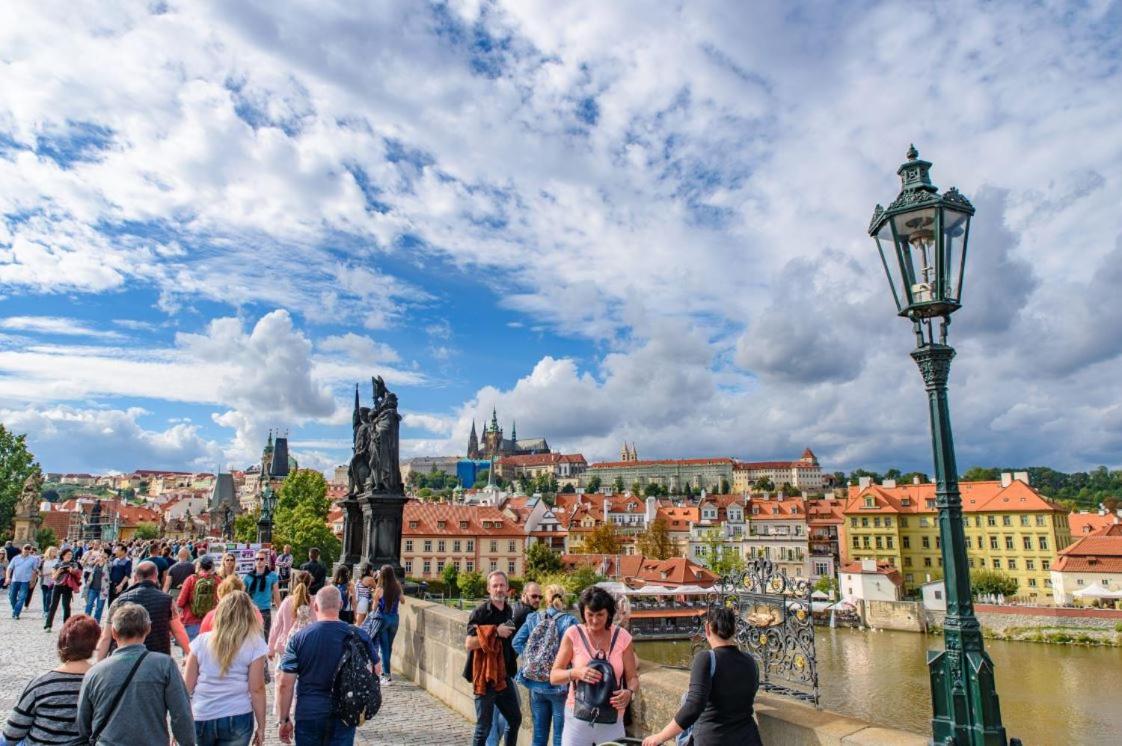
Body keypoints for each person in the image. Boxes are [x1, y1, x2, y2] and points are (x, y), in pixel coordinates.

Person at [76, 603, 196, 746]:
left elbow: (83, 723)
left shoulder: (94, 673)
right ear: (148, 629)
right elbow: (181, 713)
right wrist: (186, 741)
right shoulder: (164, 665)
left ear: (114, 632)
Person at [641, 606, 762, 746]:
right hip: (748, 739)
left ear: (707, 629)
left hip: (714, 739)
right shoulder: (750, 661)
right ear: (734, 630)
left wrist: (661, 736)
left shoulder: (706, 659)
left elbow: (694, 706)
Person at [276, 586, 380, 745]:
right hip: (345, 712)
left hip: (309, 713)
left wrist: (284, 719)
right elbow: (376, 669)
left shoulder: (298, 639)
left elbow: (285, 684)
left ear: (315, 606)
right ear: (340, 604)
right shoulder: (358, 634)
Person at [548, 585, 639, 746]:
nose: (595, 620)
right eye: (590, 614)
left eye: (600, 615)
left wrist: (629, 692)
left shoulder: (622, 637)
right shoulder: (573, 634)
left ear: (609, 613)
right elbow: (554, 676)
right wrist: (576, 673)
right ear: (583, 612)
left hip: (612, 718)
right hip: (577, 719)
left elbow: (632, 678)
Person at [185, 591, 268, 746]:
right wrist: (261, 726)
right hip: (237, 713)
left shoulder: (201, 641)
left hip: (202, 712)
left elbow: (186, 687)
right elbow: (257, 688)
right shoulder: (254, 643)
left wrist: (180, 725)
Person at [2, 614, 100, 744]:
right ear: (94, 645)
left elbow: (12, 734)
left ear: (62, 642)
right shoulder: (101, 683)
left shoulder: (41, 683)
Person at [513, 584, 578, 746]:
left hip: (536, 685)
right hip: (559, 686)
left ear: (546, 599)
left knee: (539, 736)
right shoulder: (570, 620)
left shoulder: (533, 617)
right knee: (559, 737)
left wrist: (533, 661)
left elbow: (516, 642)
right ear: (563, 599)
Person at [464, 571, 522, 746]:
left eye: (502, 585)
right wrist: (495, 631)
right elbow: (469, 643)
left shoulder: (509, 610)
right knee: (483, 728)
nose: (499, 589)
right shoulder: (480, 613)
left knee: (514, 719)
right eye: (495, 586)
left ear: (507, 588)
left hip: (504, 677)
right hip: (485, 678)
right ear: (488, 589)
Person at [95, 561, 191, 659]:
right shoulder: (167, 601)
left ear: (135, 577)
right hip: (158, 658)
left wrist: (99, 665)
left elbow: (106, 637)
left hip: (124, 658)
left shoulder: (119, 601)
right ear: (156, 577)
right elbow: (178, 631)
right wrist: (190, 655)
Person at [485, 581, 542, 745]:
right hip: (500, 669)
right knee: (503, 713)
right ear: (524, 596)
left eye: (540, 596)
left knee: (502, 713)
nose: (537, 599)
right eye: (533, 596)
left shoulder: (518, 610)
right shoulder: (523, 613)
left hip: (502, 668)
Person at [200, 575, 265, 633]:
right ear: (242, 591)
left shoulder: (212, 616)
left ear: (221, 594)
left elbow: (203, 640)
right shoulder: (253, 612)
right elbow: (258, 631)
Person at [178, 555, 220, 640]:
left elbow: (180, 602)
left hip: (191, 620)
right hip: (211, 621)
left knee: (190, 651)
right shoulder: (217, 580)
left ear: (199, 566)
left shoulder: (191, 579)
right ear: (212, 566)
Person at [243, 550, 280, 639]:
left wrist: (280, 610)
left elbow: (276, 594)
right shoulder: (248, 576)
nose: (259, 561)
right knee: (250, 638)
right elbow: (242, 595)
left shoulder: (272, 576)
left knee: (265, 638)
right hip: (251, 611)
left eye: (261, 559)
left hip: (265, 610)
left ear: (266, 561)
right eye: (257, 559)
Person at [45, 547, 82, 632]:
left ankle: (67, 626)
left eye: (71, 555)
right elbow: (53, 577)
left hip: (68, 586)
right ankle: (48, 625)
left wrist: (71, 571)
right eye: (68, 554)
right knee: (53, 606)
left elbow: (77, 572)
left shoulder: (73, 564)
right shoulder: (57, 564)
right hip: (57, 586)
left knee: (66, 606)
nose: (70, 556)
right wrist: (59, 571)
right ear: (63, 555)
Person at [6, 543, 38, 620]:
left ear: (30, 550)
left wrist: (33, 581)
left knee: (22, 597)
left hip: (25, 581)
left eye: (28, 549)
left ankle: (16, 613)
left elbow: (34, 571)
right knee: (11, 597)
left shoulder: (33, 559)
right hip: (15, 580)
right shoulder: (15, 558)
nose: (26, 550)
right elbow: (9, 568)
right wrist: (7, 577)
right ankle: (16, 609)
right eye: (25, 548)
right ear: (22, 549)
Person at [83, 551, 108, 622]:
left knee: (99, 607)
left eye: (105, 557)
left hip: (102, 590)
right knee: (89, 605)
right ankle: (86, 621)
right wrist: (88, 556)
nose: (102, 558)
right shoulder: (95, 565)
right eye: (101, 556)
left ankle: (96, 623)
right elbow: (85, 565)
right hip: (92, 588)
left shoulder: (108, 566)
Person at [39, 546, 60, 617]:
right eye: (53, 551)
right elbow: (39, 569)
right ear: (49, 552)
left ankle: (47, 610)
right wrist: (40, 573)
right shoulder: (43, 560)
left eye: (55, 551)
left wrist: (53, 573)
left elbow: (59, 570)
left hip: (53, 581)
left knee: (49, 596)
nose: (54, 553)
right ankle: (45, 610)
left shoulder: (57, 561)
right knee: (44, 596)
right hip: (44, 580)